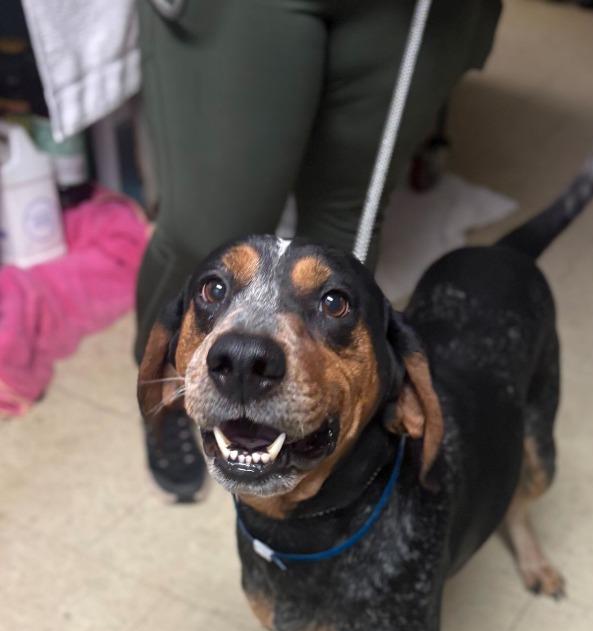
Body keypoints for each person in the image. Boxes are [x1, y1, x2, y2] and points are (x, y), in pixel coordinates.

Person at [136, 0, 501, 500]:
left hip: (412, 13)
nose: (249, 349)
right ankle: (171, 391)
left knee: (346, 232)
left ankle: (333, 424)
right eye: (217, 290)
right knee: (205, 227)